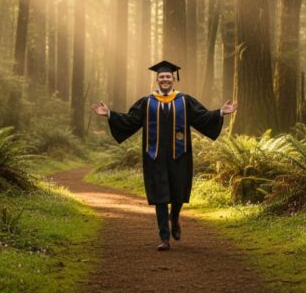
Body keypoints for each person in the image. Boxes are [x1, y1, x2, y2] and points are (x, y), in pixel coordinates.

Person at [91, 60, 238, 251]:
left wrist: (220, 112)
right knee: (160, 197)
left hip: (180, 155)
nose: (165, 79)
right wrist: (109, 114)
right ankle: (164, 238)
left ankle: (175, 218)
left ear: (174, 79)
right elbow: (130, 120)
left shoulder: (184, 100)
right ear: (157, 80)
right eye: (162, 77)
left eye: (168, 76)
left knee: (177, 194)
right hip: (155, 157)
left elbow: (201, 117)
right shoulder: (147, 102)